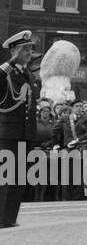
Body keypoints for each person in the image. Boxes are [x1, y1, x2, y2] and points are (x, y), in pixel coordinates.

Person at [0, 32, 40, 228]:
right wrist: (11, 61)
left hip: (25, 134)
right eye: (25, 49)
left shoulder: (28, 75)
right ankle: (1, 218)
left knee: (19, 179)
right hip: (8, 134)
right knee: (6, 178)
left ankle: (9, 218)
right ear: (15, 51)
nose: (29, 52)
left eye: (29, 49)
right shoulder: (7, 73)